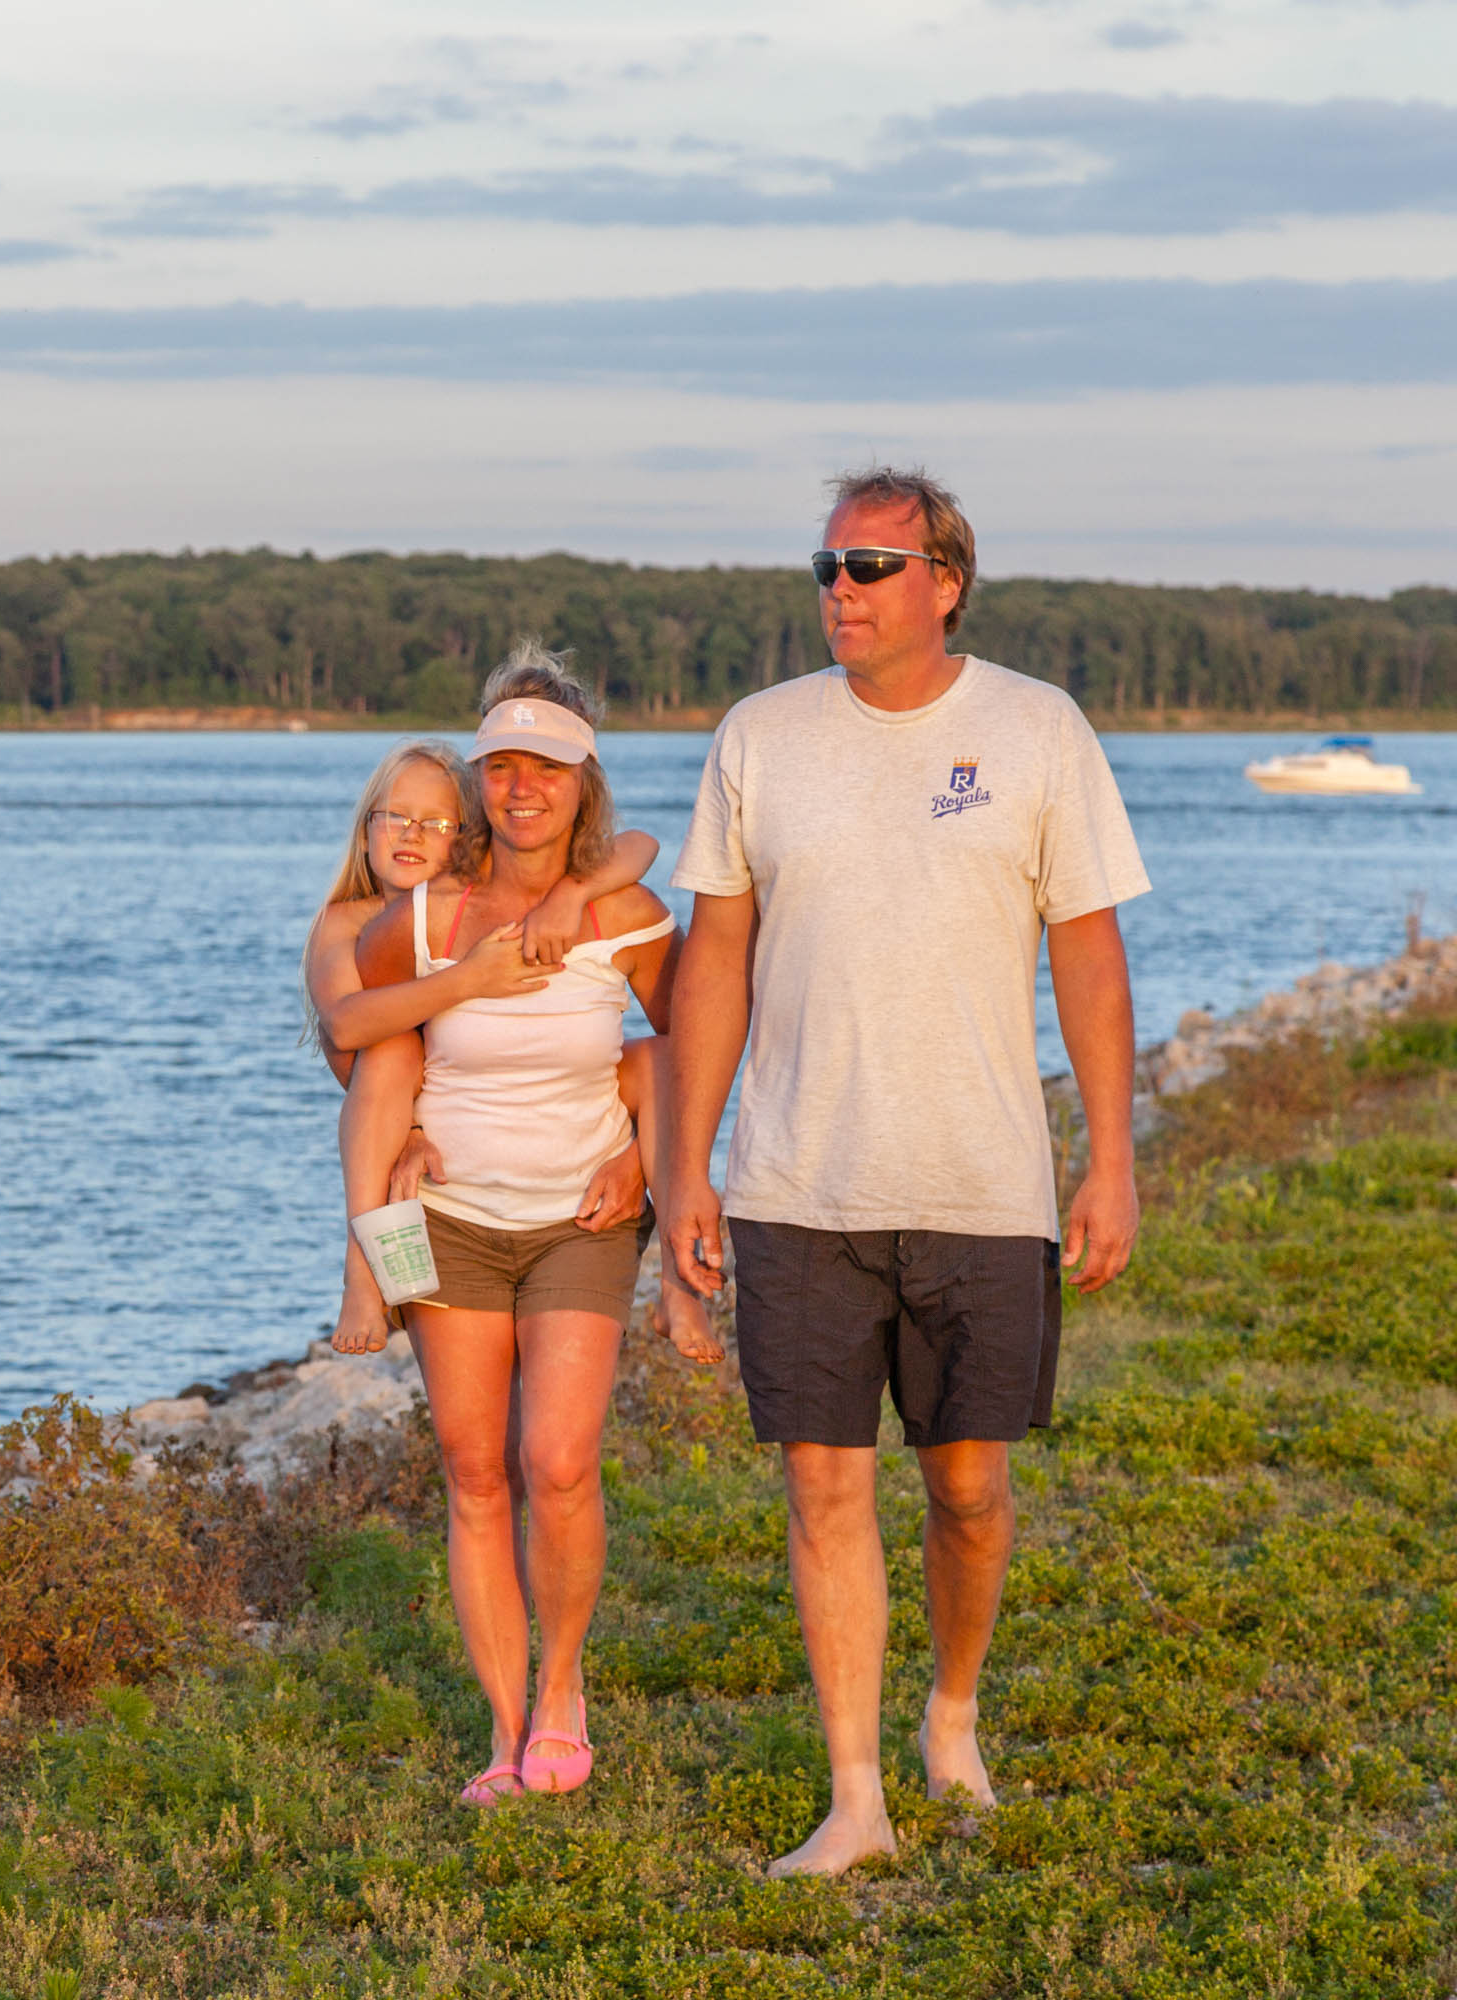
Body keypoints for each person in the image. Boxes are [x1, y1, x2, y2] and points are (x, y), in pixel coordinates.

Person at [657, 467, 1148, 1877]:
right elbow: (716, 960)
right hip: (797, 1184)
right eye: (828, 564)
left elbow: (1090, 958)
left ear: (946, 580)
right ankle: (856, 1796)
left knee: (969, 1489)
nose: (842, 589)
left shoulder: (1038, 729)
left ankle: (952, 1710)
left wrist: (1110, 1160)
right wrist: (687, 1163)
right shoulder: (760, 736)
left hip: (981, 1183)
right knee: (824, 1487)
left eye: (874, 565)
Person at [351, 644, 712, 1807]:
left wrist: (644, 1160)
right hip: (443, 1222)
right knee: (472, 1470)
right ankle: (505, 1732)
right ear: (476, 782)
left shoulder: (624, 911)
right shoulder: (422, 920)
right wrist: (396, 1144)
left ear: (582, 782)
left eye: (544, 768)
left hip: (580, 1219)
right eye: (500, 766)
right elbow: (355, 1040)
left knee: (555, 1462)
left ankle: (564, 1687)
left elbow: (691, 1048)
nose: (520, 787)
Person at [303, 744, 659, 1352]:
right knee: (391, 1053)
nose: (412, 834)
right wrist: (467, 979)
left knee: (645, 1058)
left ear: (468, 837)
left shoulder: (469, 908)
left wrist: (571, 894)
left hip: (498, 1127)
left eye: (437, 823)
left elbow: (642, 845)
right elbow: (345, 1026)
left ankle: (661, 1223)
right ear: (365, 832)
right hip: (394, 1110)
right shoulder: (348, 919)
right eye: (394, 816)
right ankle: (362, 1271)